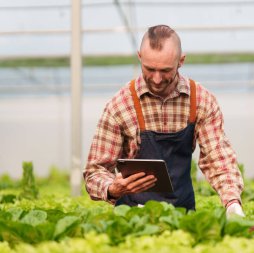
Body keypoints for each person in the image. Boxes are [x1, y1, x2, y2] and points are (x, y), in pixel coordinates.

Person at [83, 24, 244, 217]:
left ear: (181, 61)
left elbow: (218, 158)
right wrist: (112, 188)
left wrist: (232, 203)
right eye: (149, 69)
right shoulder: (120, 105)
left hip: (182, 216)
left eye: (165, 70)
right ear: (139, 57)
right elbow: (95, 171)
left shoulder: (201, 100)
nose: (157, 79)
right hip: (132, 218)